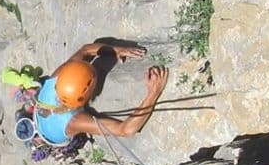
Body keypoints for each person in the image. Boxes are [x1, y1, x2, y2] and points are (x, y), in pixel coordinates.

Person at [33, 40, 168, 146]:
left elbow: (85, 50)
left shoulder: (60, 75)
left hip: (41, 112)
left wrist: (117, 50)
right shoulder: (74, 121)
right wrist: (153, 93)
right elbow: (126, 130)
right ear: (87, 95)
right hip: (51, 136)